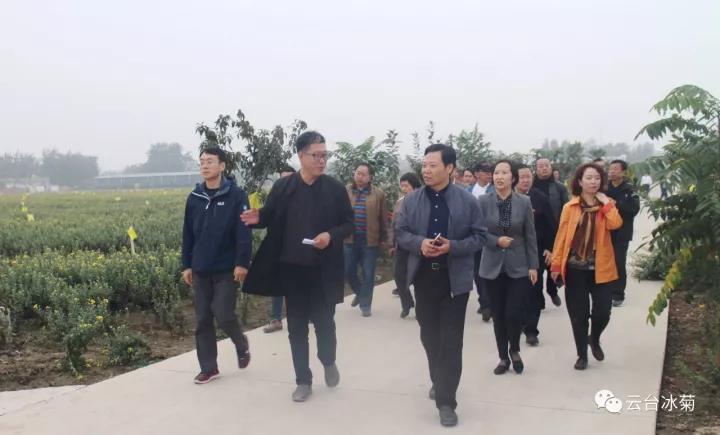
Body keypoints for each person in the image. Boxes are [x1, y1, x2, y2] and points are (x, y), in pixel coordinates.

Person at [241, 131, 354, 402]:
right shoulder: (284, 187)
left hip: (323, 270)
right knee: (296, 327)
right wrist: (257, 218)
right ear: (301, 156)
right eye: (316, 155)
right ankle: (303, 380)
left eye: (325, 155)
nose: (322, 160)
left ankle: (328, 360)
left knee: (325, 323)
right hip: (292, 269)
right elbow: (270, 216)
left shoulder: (334, 189)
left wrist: (330, 236)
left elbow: (349, 224)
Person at [395, 144, 486, 427]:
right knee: (430, 336)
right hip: (424, 278)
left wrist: (452, 247)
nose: (426, 170)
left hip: (454, 281)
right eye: (424, 165)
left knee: (451, 341)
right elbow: (400, 233)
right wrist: (419, 243)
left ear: (450, 168)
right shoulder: (411, 201)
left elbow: (480, 238)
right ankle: (439, 378)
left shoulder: (467, 201)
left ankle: (447, 402)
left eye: (433, 165)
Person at [181, 147, 252, 384]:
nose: (205, 165)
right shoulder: (195, 197)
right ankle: (209, 368)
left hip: (226, 269)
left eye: (210, 161)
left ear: (222, 166)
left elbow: (243, 232)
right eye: (202, 161)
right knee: (202, 320)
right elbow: (187, 234)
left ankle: (241, 343)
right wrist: (186, 265)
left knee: (223, 314)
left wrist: (242, 263)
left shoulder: (236, 196)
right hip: (200, 268)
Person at [551, 163, 623, 371]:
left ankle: (594, 337)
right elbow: (561, 237)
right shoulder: (570, 207)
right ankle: (582, 355)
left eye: (597, 178)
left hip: (601, 269)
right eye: (589, 178)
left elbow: (616, 224)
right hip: (575, 270)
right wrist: (556, 265)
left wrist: (606, 203)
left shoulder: (607, 205)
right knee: (578, 315)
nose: (593, 182)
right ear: (580, 182)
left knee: (603, 312)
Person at [478, 160, 538, 375]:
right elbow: (478, 232)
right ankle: (503, 357)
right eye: (496, 173)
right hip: (492, 265)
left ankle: (514, 349)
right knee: (498, 314)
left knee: (513, 312)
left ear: (513, 178)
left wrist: (533, 265)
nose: (499, 177)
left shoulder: (524, 202)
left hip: (518, 265)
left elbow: (530, 235)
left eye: (504, 173)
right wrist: (496, 241)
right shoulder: (483, 201)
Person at [515, 164, 555, 346]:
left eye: (528, 177)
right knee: (517, 291)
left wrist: (549, 248)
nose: (525, 180)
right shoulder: (507, 198)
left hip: (536, 251)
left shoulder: (540, 198)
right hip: (513, 251)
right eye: (521, 177)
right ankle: (519, 322)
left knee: (534, 289)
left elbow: (551, 225)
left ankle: (531, 330)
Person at [345, 163, 389, 317]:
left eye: (363, 174)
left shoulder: (378, 194)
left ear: (370, 177)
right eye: (358, 173)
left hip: (369, 240)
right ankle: (360, 292)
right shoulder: (346, 191)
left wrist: (384, 239)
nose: (360, 176)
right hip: (349, 239)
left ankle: (365, 305)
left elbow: (383, 218)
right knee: (348, 271)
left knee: (368, 273)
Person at [263, 165, 297, 333]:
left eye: (289, 178)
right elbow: (266, 217)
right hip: (278, 247)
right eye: (283, 178)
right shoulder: (274, 197)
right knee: (277, 283)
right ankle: (276, 319)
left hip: (299, 249)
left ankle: (302, 315)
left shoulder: (305, 197)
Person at [534, 158, 569, 307]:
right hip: (536, 234)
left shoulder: (560, 188)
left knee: (553, 266)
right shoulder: (531, 187)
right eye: (540, 166)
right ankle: (538, 298)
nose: (544, 168)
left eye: (546, 166)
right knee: (537, 267)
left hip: (556, 232)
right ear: (536, 169)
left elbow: (566, 209)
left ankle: (552, 290)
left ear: (551, 167)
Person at [388, 172, 422, 318]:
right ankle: (406, 303)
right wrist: (392, 243)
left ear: (414, 186)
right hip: (401, 244)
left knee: (418, 276)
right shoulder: (400, 202)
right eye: (401, 186)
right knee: (399, 275)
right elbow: (393, 225)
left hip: (417, 244)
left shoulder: (423, 201)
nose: (403, 189)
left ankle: (422, 307)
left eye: (406, 186)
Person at [607, 160, 640, 307]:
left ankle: (618, 294)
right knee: (604, 263)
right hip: (605, 232)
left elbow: (633, 210)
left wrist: (617, 205)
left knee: (619, 262)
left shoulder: (630, 190)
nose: (612, 172)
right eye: (611, 169)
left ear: (623, 172)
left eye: (616, 169)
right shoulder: (603, 188)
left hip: (622, 233)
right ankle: (605, 292)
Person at [470, 161, 495, 320]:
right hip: (473, 237)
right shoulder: (467, 191)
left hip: (490, 236)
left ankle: (490, 302)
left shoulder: (495, 190)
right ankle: (485, 302)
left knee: (490, 272)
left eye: (490, 172)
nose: (489, 175)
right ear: (477, 173)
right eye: (486, 172)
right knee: (477, 273)